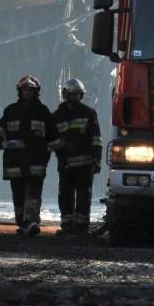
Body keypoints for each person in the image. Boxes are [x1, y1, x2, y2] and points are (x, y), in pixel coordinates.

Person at [0, 76, 63, 237]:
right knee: (18, 194)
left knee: (33, 193)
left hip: (36, 160)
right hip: (14, 160)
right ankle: (22, 223)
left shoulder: (43, 111)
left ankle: (31, 221)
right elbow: (1, 127)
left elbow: (53, 135)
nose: (27, 92)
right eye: (24, 89)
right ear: (20, 91)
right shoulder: (11, 111)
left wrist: (62, 153)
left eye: (30, 89)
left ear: (36, 91)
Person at [52, 78, 103, 237]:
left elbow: (96, 138)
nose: (76, 98)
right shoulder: (57, 116)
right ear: (65, 95)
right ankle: (66, 226)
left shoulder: (89, 113)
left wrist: (97, 159)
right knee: (65, 195)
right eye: (73, 95)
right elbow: (54, 141)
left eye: (78, 95)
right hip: (66, 164)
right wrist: (62, 157)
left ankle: (82, 227)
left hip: (85, 164)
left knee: (84, 195)